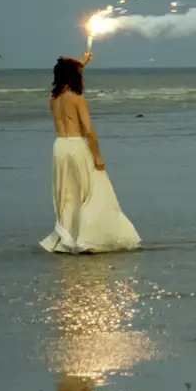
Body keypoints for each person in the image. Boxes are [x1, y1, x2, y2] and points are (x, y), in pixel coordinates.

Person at [40, 53, 141, 254]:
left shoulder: (54, 99)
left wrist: (82, 63)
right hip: (77, 145)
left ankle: (70, 236)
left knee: (68, 194)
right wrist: (97, 156)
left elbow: (68, 78)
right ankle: (89, 238)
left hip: (60, 147)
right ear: (75, 76)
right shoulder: (78, 100)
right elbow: (89, 130)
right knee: (92, 190)